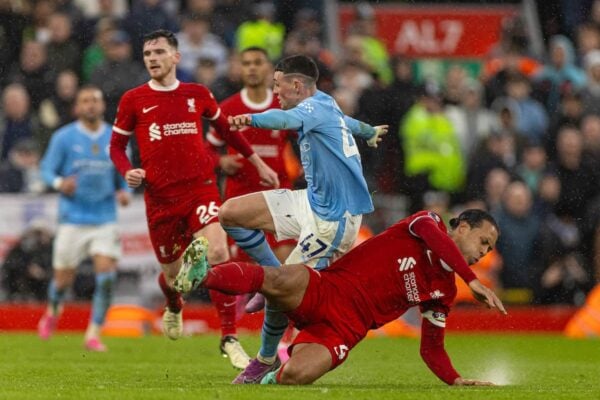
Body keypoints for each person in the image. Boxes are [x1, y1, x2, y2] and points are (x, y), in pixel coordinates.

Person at [206, 54, 389, 382]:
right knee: (230, 213)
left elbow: (280, 120)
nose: (275, 92)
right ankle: (271, 276)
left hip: (333, 221)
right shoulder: (326, 104)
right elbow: (346, 122)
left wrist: (249, 119)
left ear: (296, 85)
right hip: (311, 201)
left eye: (278, 86)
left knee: (281, 290)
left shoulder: (310, 109)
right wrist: (369, 131)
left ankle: (263, 359)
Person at [177, 209, 506, 385]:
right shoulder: (427, 223)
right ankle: (201, 276)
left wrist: (456, 380)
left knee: (296, 376)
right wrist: (472, 279)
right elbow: (434, 238)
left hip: (346, 329)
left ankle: (269, 374)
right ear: (462, 227)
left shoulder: (444, 291)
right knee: (278, 276)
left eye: (489, 249)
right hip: (329, 288)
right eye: (483, 242)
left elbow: (431, 348)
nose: (484, 252)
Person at [109, 29, 279, 369]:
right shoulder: (133, 99)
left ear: (176, 57)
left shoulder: (197, 93)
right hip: (161, 198)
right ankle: (174, 302)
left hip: (200, 188)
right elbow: (116, 146)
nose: (152, 59)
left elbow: (229, 131)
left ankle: (228, 337)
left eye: (158, 52)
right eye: (147, 54)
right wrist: (128, 169)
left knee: (217, 251)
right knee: (172, 277)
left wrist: (257, 162)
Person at [37, 85, 131, 352]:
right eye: (85, 101)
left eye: (95, 101)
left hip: (105, 218)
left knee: (107, 276)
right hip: (72, 219)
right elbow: (46, 169)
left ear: (102, 106)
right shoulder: (63, 138)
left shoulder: (115, 138)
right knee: (62, 281)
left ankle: (93, 333)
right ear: (77, 107)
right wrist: (58, 182)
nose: (90, 105)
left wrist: (125, 191)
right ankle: (52, 312)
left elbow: (126, 172)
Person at [207, 46, 296, 264]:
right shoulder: (227, 108)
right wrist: (220, 161)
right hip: (240, 197)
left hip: (278, 196)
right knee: (244, 271)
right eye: (246, 63)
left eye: (258, 62)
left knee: (285, 267)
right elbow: (206, 150)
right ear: (239, 68)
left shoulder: (283, 106)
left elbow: (304, 142)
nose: (252, 68)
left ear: (269, 69)